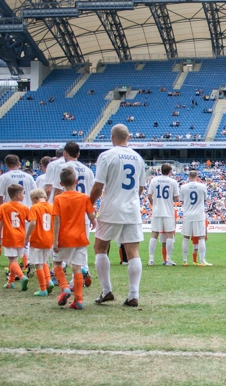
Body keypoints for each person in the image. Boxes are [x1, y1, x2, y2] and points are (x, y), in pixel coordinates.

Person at [90, 124, 146, 307]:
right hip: (132, 210)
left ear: (112, 138)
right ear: (128, 138)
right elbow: (141, 187)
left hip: (111, 208)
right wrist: (130, 200)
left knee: (100, 247)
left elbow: (98, 186)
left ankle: (106, 290)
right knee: (133, 252)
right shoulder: (138, 158)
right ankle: (133, 294)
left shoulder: (106, 156)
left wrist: (88, 204)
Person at [50, 142, 95, 284]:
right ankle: (83, 270)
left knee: (60, 249)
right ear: (79, 154)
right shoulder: (88, 170)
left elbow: (57, 190)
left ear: (64, 153)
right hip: (83, 211)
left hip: (65, 212)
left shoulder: (62, 168)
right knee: (81, 247)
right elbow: (93, 192)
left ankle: (60, 274)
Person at [53, 168, 97, 309]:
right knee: (77, 268)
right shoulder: (83, 197)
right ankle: (78, 300)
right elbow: (91, 216)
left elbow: (57, 220)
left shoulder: (58, 199)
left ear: (61, 183)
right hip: (80, 237)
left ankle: (65, 287)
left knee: (57, 263)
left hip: (64, 237)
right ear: (76, 182)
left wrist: (55, 240)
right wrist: (94, 221)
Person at [0, 154, 36, 271]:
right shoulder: (28, 177)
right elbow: (35, 195)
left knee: (12, 242)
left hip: (10, 214)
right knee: (26, 239)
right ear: (19, 164)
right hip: (27, 212)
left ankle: (15, 268)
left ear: (6, 164)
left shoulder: (4, 177)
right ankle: (27, 264)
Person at [0, 184, 30, 291]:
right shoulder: (24, 208)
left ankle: (21, 276)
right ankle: (10, 282)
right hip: (21, 236)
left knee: (12, 260)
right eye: (23, 193)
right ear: (18, 195)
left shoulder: (4, 207)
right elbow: (31, 221)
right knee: (14, 260)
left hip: (9, 236)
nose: (24, 195)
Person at [147, 163, 180, 266]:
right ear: (170, 171)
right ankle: (169, 259)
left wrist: (154, 203)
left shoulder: (154, 180)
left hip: (157, 210)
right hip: (168, 211)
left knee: (154, 234)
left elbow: (149, 196)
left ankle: (151, 259)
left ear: (160, 170)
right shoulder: (173, 182)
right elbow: (176, 198)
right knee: (170, 234)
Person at [24, 188, 54, 296]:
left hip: (37, 239)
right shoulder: (51, 207)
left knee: (38, 265)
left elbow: (32, 222)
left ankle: (42, 289)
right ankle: (49, 280)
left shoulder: (34, 207)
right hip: (49, 238)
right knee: (45, 262)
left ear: (34, 199)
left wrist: (27, 237)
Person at [179, 170, 211, 266]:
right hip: (199, 214)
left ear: (189, 177)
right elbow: (205, 198)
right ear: (197, 176)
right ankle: (202, 261)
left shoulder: (183, 187)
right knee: (201, 237)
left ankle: (185, 261)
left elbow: (182, 199)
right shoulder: (202, 186)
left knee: (186, 237)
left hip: (188, 214)